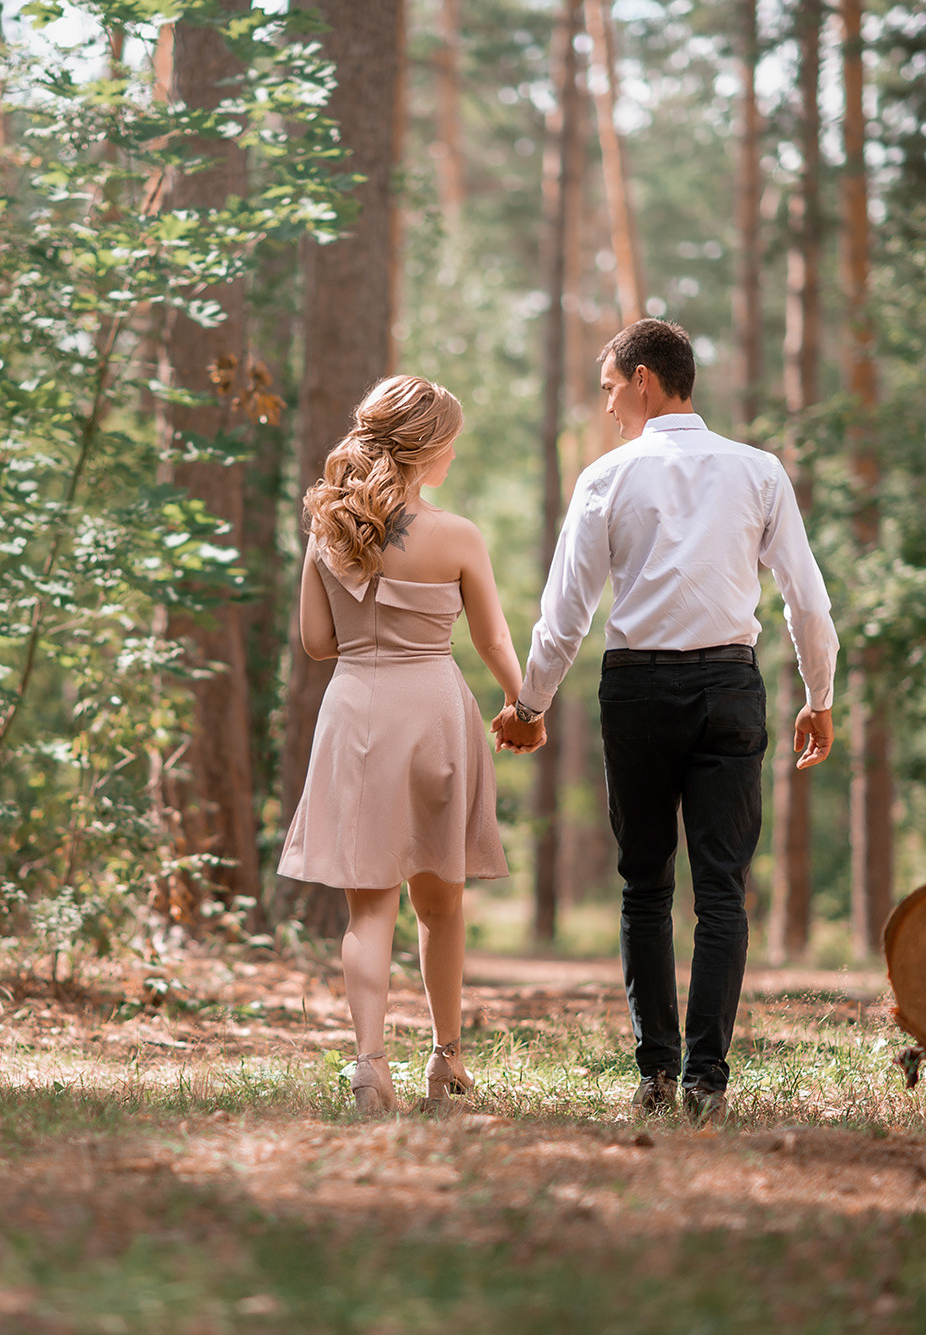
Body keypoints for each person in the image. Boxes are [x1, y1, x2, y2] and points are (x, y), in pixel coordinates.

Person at [492, 319, 838, 1124]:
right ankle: (705, 1082)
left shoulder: (606, 477)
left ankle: (654, 1074)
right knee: (722, 888)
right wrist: (819, 698)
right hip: (728, 687)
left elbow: (565, 615)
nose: (609, 406)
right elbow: (808, 600)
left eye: (611, 387)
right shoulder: (759, 472)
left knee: (644, 885)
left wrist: (529, 707)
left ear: (644, 379)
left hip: (639, 691)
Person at [279, 374, 533, 1116]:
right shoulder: (457, 535)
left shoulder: (331, 529)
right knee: (441, 901)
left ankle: (368, 1065)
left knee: (369, 909)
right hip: (433, 710)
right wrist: (524, 702)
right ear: (429, 447)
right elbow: (489, 635)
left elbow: (316, 642)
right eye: (451, 441)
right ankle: (446, 1059)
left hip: (358, 709)